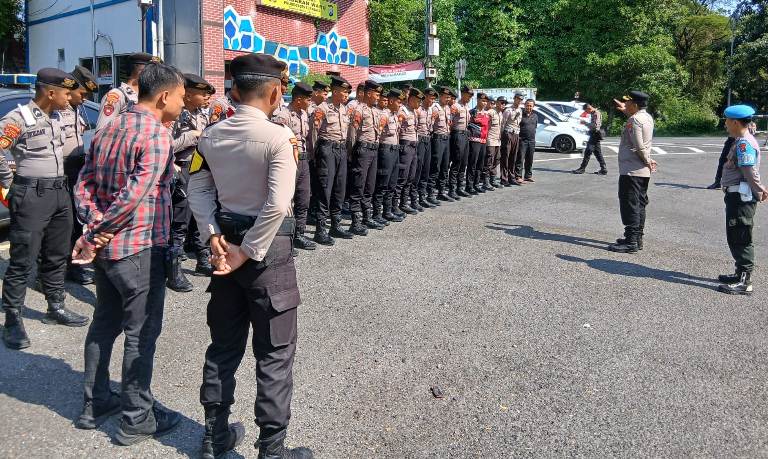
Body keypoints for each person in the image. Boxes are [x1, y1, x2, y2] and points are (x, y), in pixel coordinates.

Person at [187, 53, 311, 459]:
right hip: (266, 253)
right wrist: (249, 251)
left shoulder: (210, 136)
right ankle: (271, 450)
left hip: (225, 248)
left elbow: (198, 190)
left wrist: (212, 235)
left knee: (223, 346)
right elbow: (277, 203)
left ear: (235, 92)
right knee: (274, 352)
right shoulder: (280, 137)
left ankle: (213, 437)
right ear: (275, 93)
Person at [72, 63, 185, 442]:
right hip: (139, 249)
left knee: (104, 324)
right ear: (164, 96)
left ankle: (94, 403)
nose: (183, 103)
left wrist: (93, 227)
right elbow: (134, 196)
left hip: (108, 251)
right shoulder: (156, 135)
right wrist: (98, 233)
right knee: (141, 334)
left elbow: (83, 183)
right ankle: (136, 418)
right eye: (181, 96)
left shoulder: (109, 127)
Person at [0, 68, 88, 349]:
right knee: (22, 260)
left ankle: (55, 306)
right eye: (65, 93)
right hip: (32, 194)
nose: (69, 98)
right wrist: (8, 183)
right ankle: (13, 319)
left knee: (57, 254)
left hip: (59, 192)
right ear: (50, 93)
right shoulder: (19, 118)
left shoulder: (59, 117)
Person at [166, 73, 215, 292]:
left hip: (200, 169)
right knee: (180, 222)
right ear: (188, 94)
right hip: (182, 169)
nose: (206, 98)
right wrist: (191, 136)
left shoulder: (200, 114)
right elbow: (166, 145)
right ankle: (173, 271)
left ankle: (203, 259)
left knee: (200, 217)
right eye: (202, 94)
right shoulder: (174, 115)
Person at [716, 105, 768, 295]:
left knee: (741, 235)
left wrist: (759, 190)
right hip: (736, 195)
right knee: (736, 233)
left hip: (741, 197)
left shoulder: (744, 143)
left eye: (727, 121)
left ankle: (745, 282)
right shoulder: (740, 140)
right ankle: (740, 273)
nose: (726, 124)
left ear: (735, 122)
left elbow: (749, 171)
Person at [57, 65, 99, 285]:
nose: (84, 99)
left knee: (74, 222)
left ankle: (72, 266)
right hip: (59, 171)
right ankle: (51, 271)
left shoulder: (76, 109)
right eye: (82, 94)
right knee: (57, 225)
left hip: (76, 170)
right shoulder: (56, 108)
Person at [608, 91, 657, 253]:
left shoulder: (634, 120)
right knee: (639, 204)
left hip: (632, 170)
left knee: (630, 205)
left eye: (628, 102)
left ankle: (631, 242)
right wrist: (626, 111)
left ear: (635, 105)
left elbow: (638, 146)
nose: (625, 104)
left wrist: (647, 160)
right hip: (641, 172)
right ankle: (637, 238)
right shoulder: (647, 117)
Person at [273, 82, 317, 250]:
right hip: (290, 160)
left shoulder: (304, 114)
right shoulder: (283, 116)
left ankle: (299, 234)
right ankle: (284, 239)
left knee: (304, 198)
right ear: (299, 100)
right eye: (308, 99)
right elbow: (277, 140)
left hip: (304, 160)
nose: (310, 102)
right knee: (286, 201)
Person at [310, 75, 353, 244]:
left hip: (341, 149)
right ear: (335, 91)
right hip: (327, 149)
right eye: (344, 91)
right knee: (325, 189)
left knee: (339, 188)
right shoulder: (322, 108)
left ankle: (336, 225)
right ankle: (320, 230)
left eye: (347, 92)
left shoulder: (344, 109)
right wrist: (315, 155)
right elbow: (313, 134)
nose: (346, 95)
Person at [346, 80, 386, 235]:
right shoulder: (359, 110)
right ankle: (355, 222)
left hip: (373, 149)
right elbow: (352, 134)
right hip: (362, 150)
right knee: (358, 185)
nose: (378, 97)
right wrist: (351, 152)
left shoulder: (375, 111)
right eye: (376, 94)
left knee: (370, 185)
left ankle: (366, 217)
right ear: (369, 93)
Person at [96, 52, 160, 131]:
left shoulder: (148, 97)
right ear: (142, 73)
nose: (156, 77)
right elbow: (101, 132)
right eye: (153, 73)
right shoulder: (117, 95)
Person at [373, 89, 404, 224]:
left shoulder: (394, 115)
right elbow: (377, 135)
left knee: (392, 183)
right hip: (385, 151)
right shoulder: (384, 115)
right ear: (391, 101)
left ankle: (387, 211)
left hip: (395, 150)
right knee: (382, 184)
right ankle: (376, 214)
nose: (400, 104)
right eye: (398, 102)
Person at [397, 88, 423, 213]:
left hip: (414, 146)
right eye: (418, 101)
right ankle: (395, 206)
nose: (419, 103)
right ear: (411, 99)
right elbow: (397, 129)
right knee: (402, 177)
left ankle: (404, 203)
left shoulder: (414, 112)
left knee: (411, 177)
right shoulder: (403, 111)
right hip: (405, 146)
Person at [448, 85, 473, 199]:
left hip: (465, 134)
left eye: (471, 96)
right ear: (463, 94)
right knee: (457, 162)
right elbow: (449, 122)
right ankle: (452, 189)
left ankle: (460, 188)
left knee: (464, 162)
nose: (470, 98)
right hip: (457, 134)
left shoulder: (466, 106)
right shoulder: (455, 106)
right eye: (468, 95)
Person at [430, 87, 453, 202]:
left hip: (446, 138)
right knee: (436, 166)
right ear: (440, 96)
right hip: (438, 139)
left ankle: (441, 191)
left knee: (445, 166)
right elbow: (430, 125)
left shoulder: (447, 108)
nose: (448, 99)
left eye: (449, 97)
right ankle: (430, 194)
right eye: (446, 97)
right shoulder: (435, 108)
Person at [415, 87, 437, 208]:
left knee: (426, 170)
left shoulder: (431, 110)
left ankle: (422, 197)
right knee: (418, 169)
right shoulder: (418, 110)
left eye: (433, 99)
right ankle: (414, 199)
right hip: (419, 141)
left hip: (428, 140)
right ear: (425, 97)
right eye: (430, 98)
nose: (432, 101)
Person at [572, 103, 607, 175]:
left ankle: (582, 169)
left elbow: (595, 126)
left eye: (586, 111)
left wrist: (585, 123)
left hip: (595, 135)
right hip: (594, 135)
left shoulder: (596, 113)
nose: (586, 112)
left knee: (588, 152)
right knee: (598, 153)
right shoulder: (593, 113)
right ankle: (604, 169)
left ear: (589, 108)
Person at [467, 93, 490, 194]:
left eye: (486, 101)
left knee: (480, 164)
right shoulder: (472, 112)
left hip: (483, 141)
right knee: (472, 163)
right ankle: (469, 185)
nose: (484, 103)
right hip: (474, 141)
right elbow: (468, 126)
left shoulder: (486, 114)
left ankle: (476, 184)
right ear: (477, 100)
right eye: (482, 101)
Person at [500, 93, 523, 186]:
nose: (519, 101)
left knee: (513, 156)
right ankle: (504, 178)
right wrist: (501, 135)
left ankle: (511, 177)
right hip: (508, 133)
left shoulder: (520, 110)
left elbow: (518, 123)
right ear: (514, 99)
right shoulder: (508, 110)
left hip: (516, 134)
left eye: (521, 99)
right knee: (506, 156)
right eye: (518, 99)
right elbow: (503, 123)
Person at [517, 99, 538, 183]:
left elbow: (535, 127)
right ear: (524, 105)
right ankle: (518, 176)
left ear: (533, 107)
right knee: (520, 159)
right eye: (527, 105)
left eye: (530, 106)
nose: (529, 107)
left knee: (530, 159)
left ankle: (528, 176)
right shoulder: (521, 115)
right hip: (522, 140)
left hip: (532, 141)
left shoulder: (535, 116)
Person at [483, 95, 502, 191]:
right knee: (489, 161)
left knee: (497, 159)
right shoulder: (490, 112)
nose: (503, 104)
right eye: (501, 102)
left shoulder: (500, 113)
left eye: (504, 103)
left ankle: (493, 179)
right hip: (490, 140)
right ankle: (485, 182)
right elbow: (486, 127)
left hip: (497, 140)